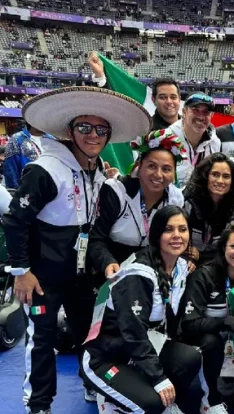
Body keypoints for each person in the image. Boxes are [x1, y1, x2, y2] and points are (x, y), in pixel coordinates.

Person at [3, 86, 151, 413]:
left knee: (90, 332)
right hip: (43, 275)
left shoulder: (95, 169)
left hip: (81, 272)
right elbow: (15, 221)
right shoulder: (44, 170)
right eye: (85, 127)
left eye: (101, 129)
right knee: (42, 339)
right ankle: (39, 403)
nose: (93, 135)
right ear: (70, 130)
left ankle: (92, 385)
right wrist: (21, 272)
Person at [81, 206, 200, 414]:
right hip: (105, 357)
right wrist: (158, 378)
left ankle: (151, 397)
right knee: (151, 403)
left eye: (182, 229)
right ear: (156, 234)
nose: (177, 236)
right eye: (168, 229)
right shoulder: (139, 273)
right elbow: (133, 332)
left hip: (137, 348)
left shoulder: (180, 267)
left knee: (189, 359)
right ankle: (111, 400)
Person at [180, 224, 234, 414]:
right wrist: (226, 322)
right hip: (207, 340)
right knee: (211, 340)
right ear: (223, 248)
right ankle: (211, 400)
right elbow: (189, 325)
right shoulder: (203, 276)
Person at [88, 129, 187, 280]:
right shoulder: (116, 191)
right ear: (139, 167)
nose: (158, 175)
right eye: (152, 166)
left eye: (166, 169)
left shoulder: (175, 198)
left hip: (150, 269)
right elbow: (96, 238)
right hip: (110, 268)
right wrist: (107, 262)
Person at [89, 52, 181, 131]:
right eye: (162, 97)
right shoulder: (143, 130)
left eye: (173, 97)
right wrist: (100, 78)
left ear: (179, 99)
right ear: (153, 100)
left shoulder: (190, 127)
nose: (169, 101)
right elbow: (112, 115)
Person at [183, 153, 234, 266]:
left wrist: (201, 257)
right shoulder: (187, 203)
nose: (220, 181)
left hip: (218, 263)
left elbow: (233, 249)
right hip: (187, 262)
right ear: (205, 176)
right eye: (215, 175)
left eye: (226, 176)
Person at [168, 92, 222, 188]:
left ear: (212, 115)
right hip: (171, 200)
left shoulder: (215, 143)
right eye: (195, 110)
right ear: (184, 112)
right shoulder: (166, 138)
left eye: (206, 112)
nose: (201, 117)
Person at [3, 124, 50, 189]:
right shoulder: (16, 139)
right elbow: (10, 168)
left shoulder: (53, 139)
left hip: (53, 189)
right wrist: (16, 192)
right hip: (29, 191)